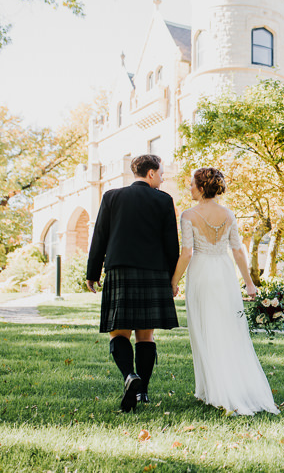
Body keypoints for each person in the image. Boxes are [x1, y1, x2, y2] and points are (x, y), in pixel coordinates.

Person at [171, 167, 279, 416]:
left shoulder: (188, 215)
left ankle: (214, 390)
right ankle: (213, 388)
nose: (189, 188)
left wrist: (174, 281)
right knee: (228, 330)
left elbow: (187, 252)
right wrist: (250, 283)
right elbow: (238, 250)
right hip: (224, 273)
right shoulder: (229, 214)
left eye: (191, 184)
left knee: (203, 329)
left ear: (200, 187)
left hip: (200, 274)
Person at [86, 154, 179, 413]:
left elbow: (99, 237)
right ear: (150, 173)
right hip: (154, 273)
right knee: (145, 335)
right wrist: (173, 278)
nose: (162, 178)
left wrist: (92, 272)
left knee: (119, 332)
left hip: (120, 271)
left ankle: (130, 376)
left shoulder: (111, 197)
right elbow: (172, 244)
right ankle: (143, 392)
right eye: (161, 174)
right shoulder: (164, 200)